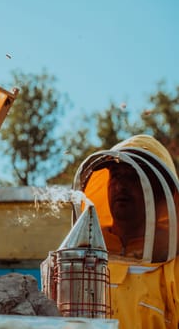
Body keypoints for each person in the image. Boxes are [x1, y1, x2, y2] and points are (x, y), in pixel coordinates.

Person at [72, 134, 179, 328]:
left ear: (159, 192)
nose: (121, 186)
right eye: (115, 175)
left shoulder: (173, 268)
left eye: (132, 177)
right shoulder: (85, 249)